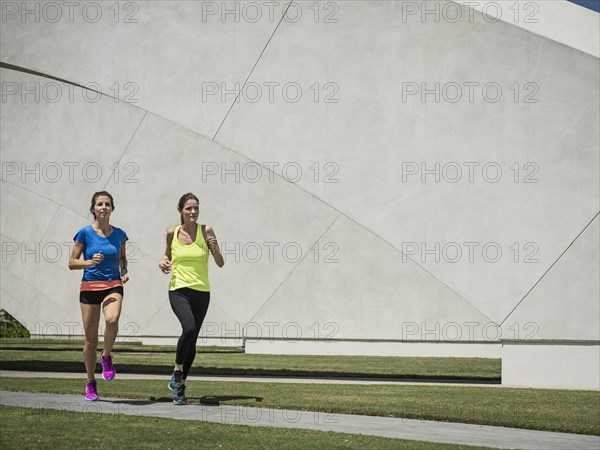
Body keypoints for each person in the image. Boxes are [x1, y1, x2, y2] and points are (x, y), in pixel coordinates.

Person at [159, 193, 224, 405]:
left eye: (196, 208)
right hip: (178, 289)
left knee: (192, 340)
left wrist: (213, 246)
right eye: (188, 208)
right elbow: (166, 255)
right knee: (188, 328)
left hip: (201, 292)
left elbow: (220, 262)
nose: (193, 212)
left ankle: (180, 388)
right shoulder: (172, 232)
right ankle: (177, 370)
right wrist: (163, 263)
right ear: (181, 211)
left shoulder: (207, 230)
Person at [69, 191, 129, 401]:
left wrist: (123, 270)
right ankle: (90, 383)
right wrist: (89, 262)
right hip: (89, 287)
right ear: (93, 209)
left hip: (113, 284)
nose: (104, 207)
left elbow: (122, 258)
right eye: (100, 204)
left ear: (112, 208)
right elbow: (72, 262)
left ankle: (106, 356)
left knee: (112, 320)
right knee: (91, 340)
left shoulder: (120, 234)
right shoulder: (84, 233)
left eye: (107, 204)